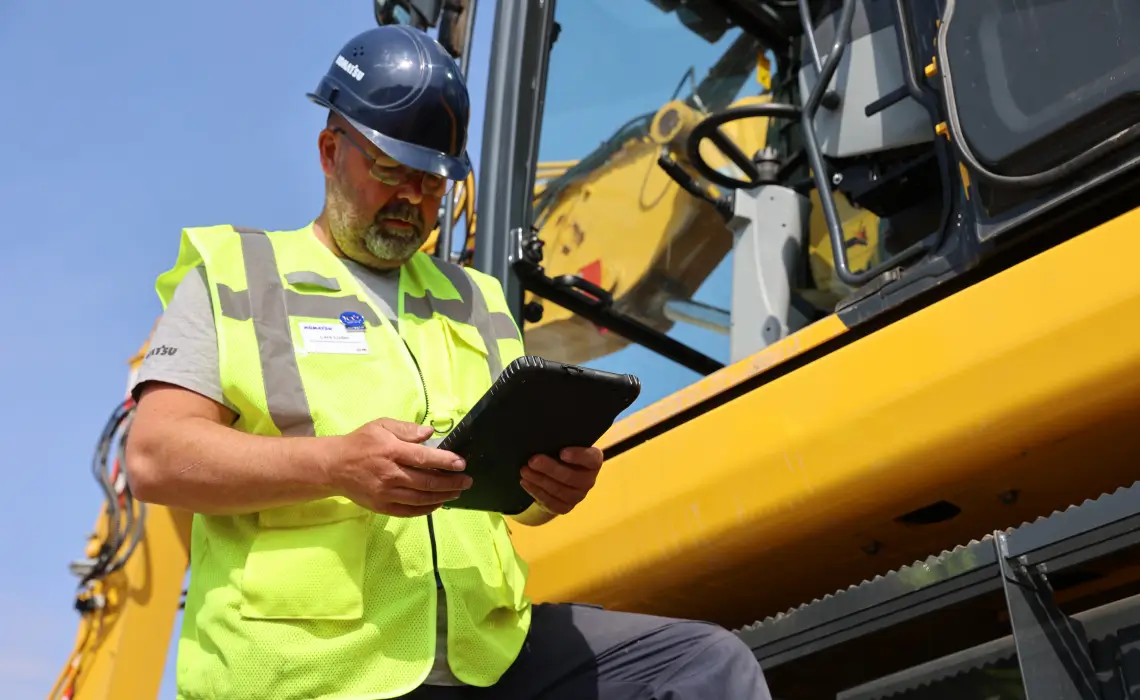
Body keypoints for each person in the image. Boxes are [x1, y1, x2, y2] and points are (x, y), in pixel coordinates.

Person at [124, 24, 773, 700]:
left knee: (704, 665)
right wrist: (337, 466)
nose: (414, 199)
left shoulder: (478, 300)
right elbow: (155, 457)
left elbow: (520, 511)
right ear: (329, 150)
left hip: (487, 658)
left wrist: (550, 486)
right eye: (390, 171)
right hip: (316, 670)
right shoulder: (238, 274)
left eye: (432, 183)